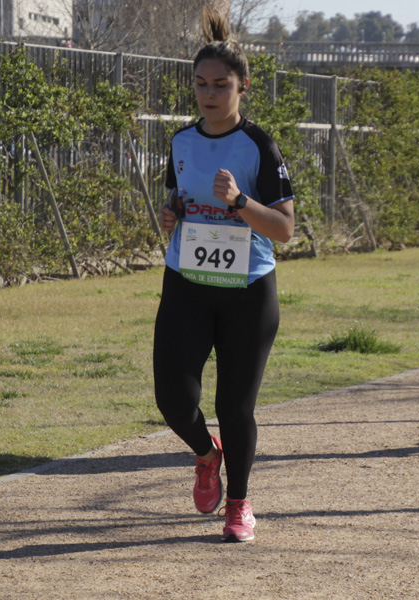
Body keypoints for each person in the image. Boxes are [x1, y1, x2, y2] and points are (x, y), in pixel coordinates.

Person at [152, 5, 295, 542]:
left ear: (242, 87)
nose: (209, 95)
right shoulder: (182, 142)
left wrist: (239, 202)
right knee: (172, 399)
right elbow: (177, 203)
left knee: (234, 406)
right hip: (186, 285)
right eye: (201, 84)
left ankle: (239, 503)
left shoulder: (259, 145)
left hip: (248, 291)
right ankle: (206, 454)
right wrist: (170, 216)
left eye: (221, 85)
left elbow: (284, 229)